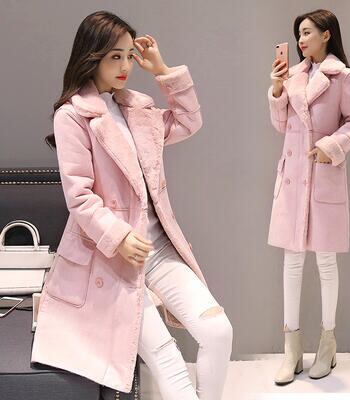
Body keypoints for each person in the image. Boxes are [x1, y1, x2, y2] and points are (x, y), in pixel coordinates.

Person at [31, 10, 232, 400]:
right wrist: (119, 236)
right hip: (110, 257)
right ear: (92, 57)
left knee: (218, 331)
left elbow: (189, 122)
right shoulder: (73, 116)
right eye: (114, 56)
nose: (125, 66)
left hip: (157, 249)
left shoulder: (138, 110)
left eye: (128, 56)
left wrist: (164, 71)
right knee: (167, 357)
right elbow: (79, 197)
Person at [267, 9, 350, 385]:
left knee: (326, 262)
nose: (301, 40)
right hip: (293, 179)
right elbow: (281, 127)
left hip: (323, 175)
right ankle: (291, 349)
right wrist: (277, 90)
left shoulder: (343, 77)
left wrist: (330, 147)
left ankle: (327, 344)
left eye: (307, 32)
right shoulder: (292, 76)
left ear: (326, 34)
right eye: (298, 34)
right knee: (291, 262)